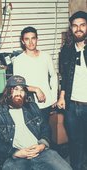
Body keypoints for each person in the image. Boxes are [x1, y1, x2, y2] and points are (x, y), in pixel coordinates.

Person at [0, 75, 72, 170]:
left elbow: (45, 128)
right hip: (15, 157)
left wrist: (42, 145)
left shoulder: (32, 107)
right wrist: (16, 153)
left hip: (40, 152)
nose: (19, 93)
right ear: (8, 91)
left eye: (22, 90)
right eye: (15, 89)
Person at [57, 11, 87, 170]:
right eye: (75, 26)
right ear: (71, 28)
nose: (79, 29)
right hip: (72, 106)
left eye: (82, 25)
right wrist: (62, 97)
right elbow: (64, 78)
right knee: (75, 144)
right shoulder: (67, 50)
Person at [13, 26, 58, 122]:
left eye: (33, 38)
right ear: (22, 41)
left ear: (37, 39)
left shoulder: (46, 57)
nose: (30, 42)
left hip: (46, 102)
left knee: (45, 131)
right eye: (27, 39)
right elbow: (18, 84)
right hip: (28, 103)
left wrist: (54, 97)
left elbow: (54, 76)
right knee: (32, 133)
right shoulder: (18, 60)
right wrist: (36, 89)